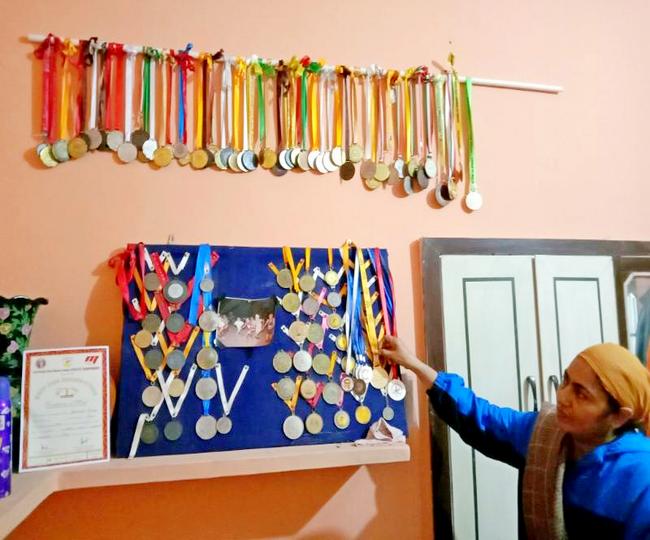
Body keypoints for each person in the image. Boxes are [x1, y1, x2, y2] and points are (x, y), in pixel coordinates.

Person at [380, 336, 650, 540]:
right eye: (566, 381)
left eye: (581, 393)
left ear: (619, 416)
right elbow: (481, 417)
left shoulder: (641, 477)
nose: (563, 397)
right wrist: (414, 364)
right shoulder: (545, 433)